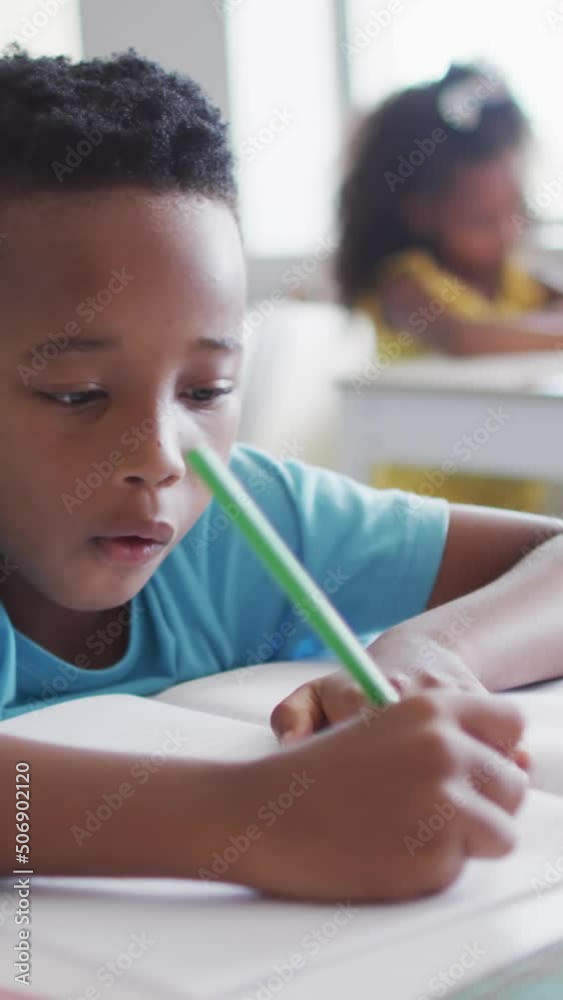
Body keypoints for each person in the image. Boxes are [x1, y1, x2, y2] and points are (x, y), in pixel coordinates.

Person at [1, 50, 563, 902]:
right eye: (75, 393)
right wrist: (243, 822)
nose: (160, 456)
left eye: (206, 390)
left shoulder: (246, 517)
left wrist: (432, 651)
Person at [335, 63, 563, 511]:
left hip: (520, 515)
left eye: (513, 212)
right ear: (421, 212)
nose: (504, 233)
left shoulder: (515, 282)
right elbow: (463, 336)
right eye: (481, 220)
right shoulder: (405, 284)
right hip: (424, 522)